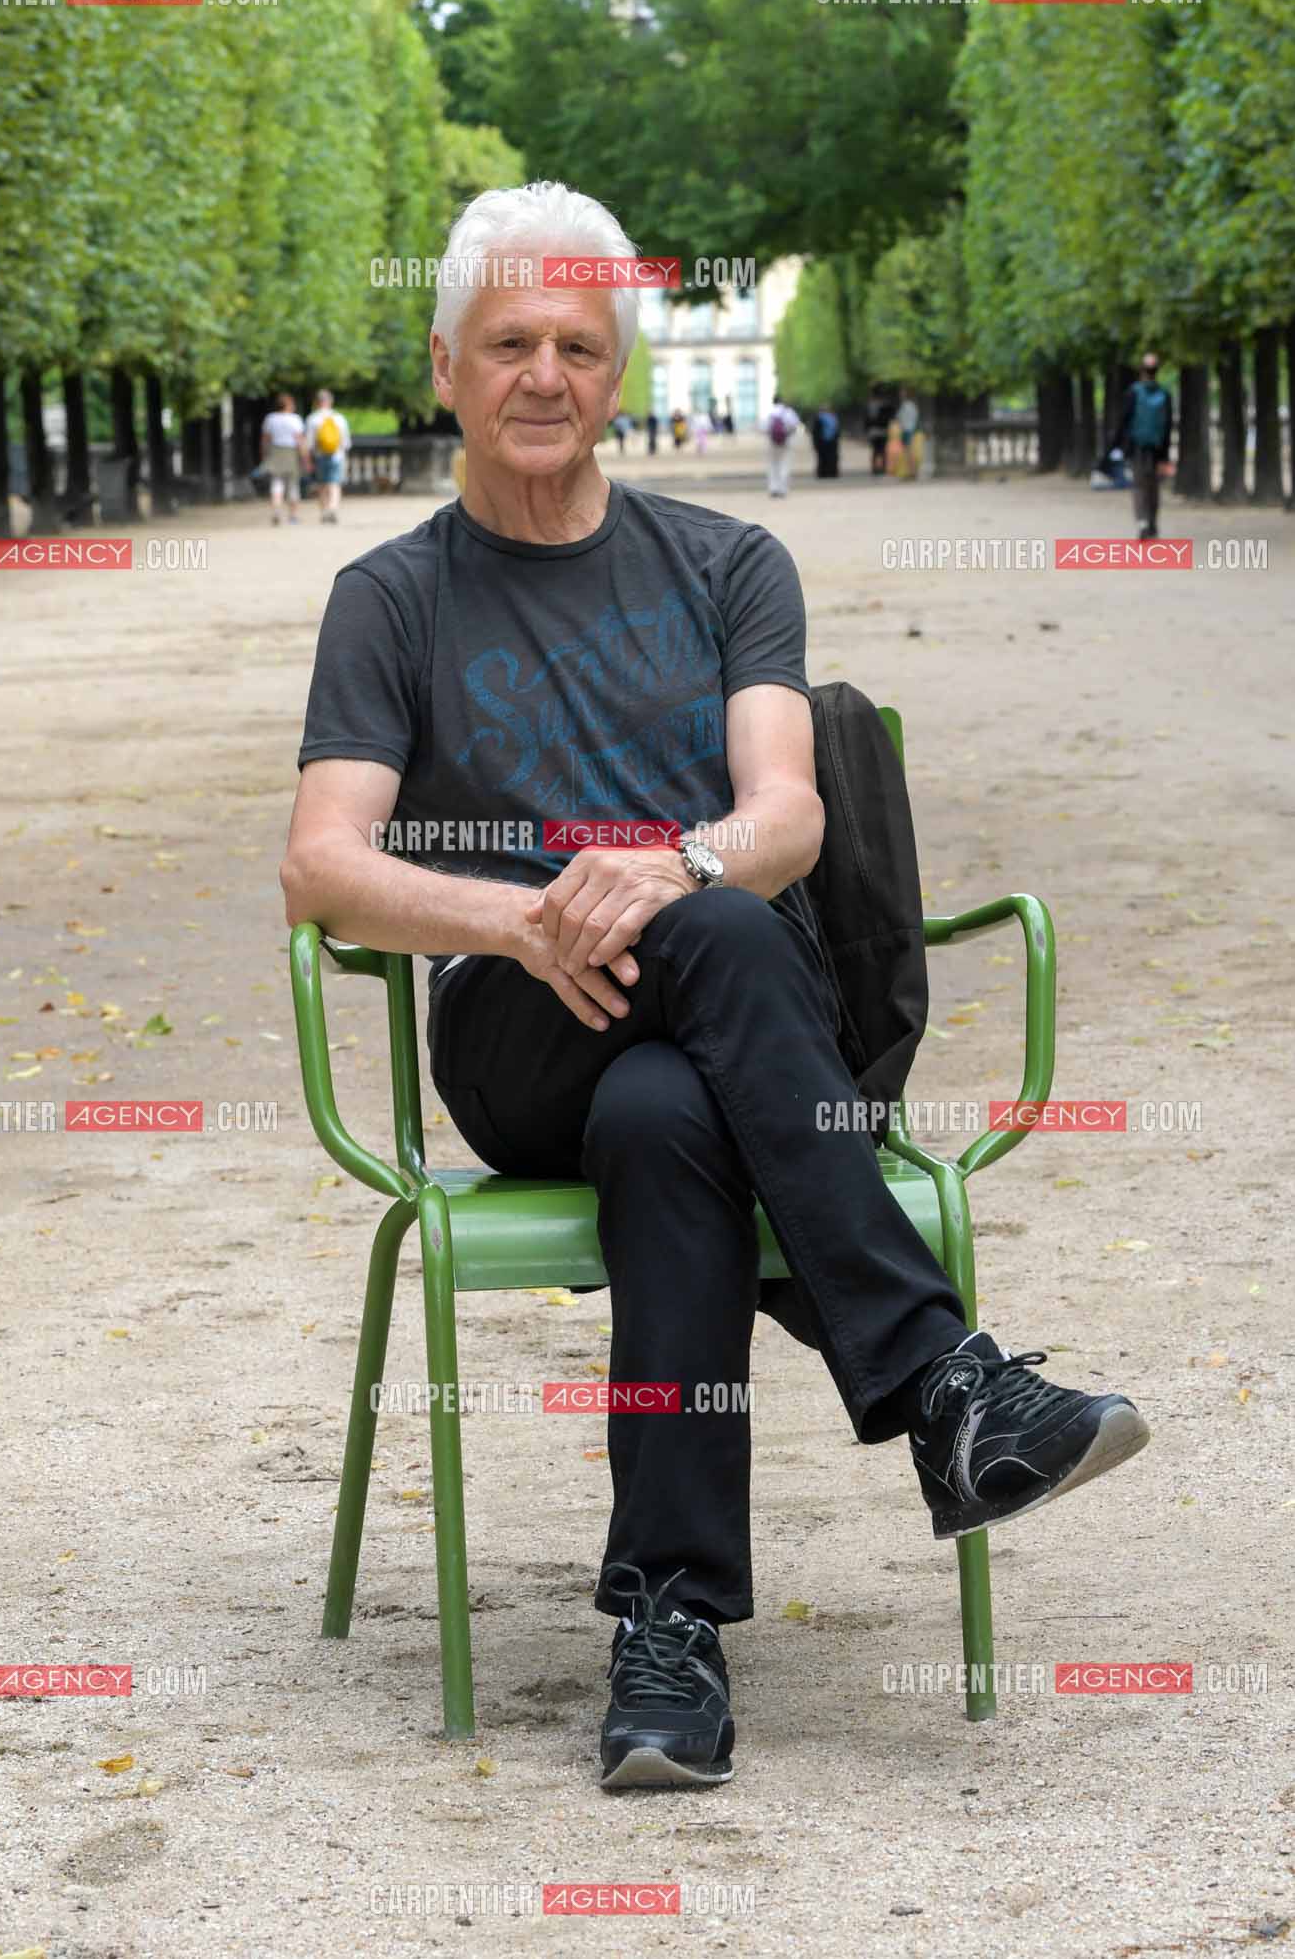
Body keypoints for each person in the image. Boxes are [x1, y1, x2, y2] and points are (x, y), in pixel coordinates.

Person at [281, 179, 1150, 1793]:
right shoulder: (389, 599)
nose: (545, 374)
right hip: (513, 1025)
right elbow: (320, 866)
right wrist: (526, 917)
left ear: (621, 369)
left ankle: (668, 1639)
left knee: (674, 1103)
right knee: (711, 949)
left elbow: (786, 813)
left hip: (705, 1037)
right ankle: (942, 1380)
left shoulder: (732, 563)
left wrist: (675, 867)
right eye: (509, 343)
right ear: (446, 365)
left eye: (579, 345)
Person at [1112, 353, 1174, 540]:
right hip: (1157, 447)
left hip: (1137, 446)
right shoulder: (1165, 394)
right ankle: (1153, 523)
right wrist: (1165, 453)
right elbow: (1168, 425)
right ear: (1157, 371)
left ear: (1141, 370)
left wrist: (1118, 446)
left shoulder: (1133, 392)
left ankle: (1142, 522)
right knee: (1153, 486)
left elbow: (1124, 421)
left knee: (1139, 485)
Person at [305, 387, 351, 524]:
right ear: (330, 401)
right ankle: (333, 508)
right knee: (335, 484)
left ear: (317, 402)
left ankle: (324, 511)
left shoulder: (312, 419)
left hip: (320, 455)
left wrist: (308, 458)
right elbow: (346, 442)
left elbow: (309, 442)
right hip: (337, 455)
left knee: (322, 485)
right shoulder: (339, 418)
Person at [260, 392, 306, 525]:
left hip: (275, 451)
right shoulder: (295, 419)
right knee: (293, 485)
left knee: (276, 483)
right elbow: (299, 440)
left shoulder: (271, 418)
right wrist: (305, 457)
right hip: (291, 452)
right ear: (288, 405)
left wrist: (264, 455)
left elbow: (265, 439)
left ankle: (276, 511)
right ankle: (293, 516)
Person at [765, 393, 799, 498]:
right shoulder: (788, 412)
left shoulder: (770, 412)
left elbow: (764, 427)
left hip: (772, 442)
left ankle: (773, 488)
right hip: (786, 441)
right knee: (785, 464)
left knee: (773, 465)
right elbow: (795, 425)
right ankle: (783, 489)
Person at [891, 388, 921, 482]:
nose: (901, 394)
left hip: (907, 430)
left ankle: (912, 472)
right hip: (908, 429)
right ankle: (911, 472)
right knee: (908, 452)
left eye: (902, 393)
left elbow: (899, 417)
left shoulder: (907, 405)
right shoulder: (910, 405)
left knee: (908, 452)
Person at [865, 385, 894, 475]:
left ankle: (875, 468)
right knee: (882, 450)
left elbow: (867, 419)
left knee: (876, 450)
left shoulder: (871, 404)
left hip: (874, 430)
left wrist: (867, 430)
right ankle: (882, 468)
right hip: (882, 430)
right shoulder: (885, 404)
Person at [810, 404, 841, 480]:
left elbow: (815, 432)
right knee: (832, 457)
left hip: (821, 442)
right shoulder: (833, 418)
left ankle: (822, 473)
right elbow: (837, 431)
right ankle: (832, 472)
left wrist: (815, 443)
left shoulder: (818, 418)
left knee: (822, 457)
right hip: (832, 442)